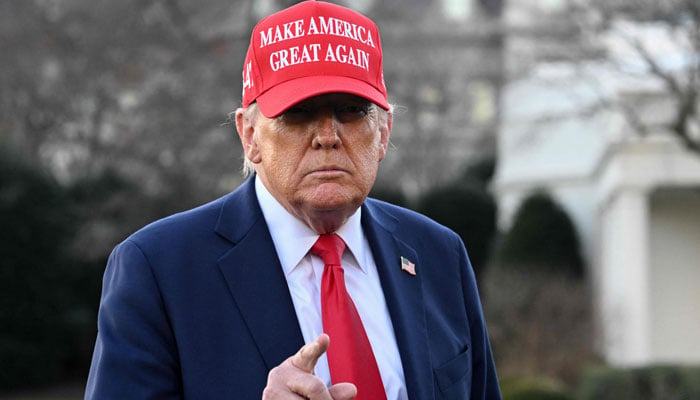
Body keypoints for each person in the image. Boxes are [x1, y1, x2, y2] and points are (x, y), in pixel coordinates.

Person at [85, 1, 501, 399]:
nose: (327, 136)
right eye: (297, 114)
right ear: (249, 135)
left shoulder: (438, 254)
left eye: (352, 110)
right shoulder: (158, 270)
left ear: (384, 132)